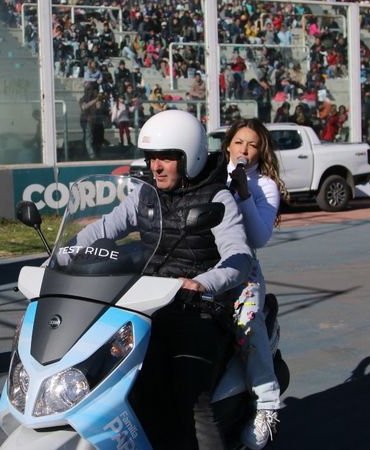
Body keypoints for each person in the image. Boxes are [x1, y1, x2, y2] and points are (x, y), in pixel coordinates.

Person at [71, 110, 253, 449]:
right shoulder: (144, 195)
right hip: (146, 308)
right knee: (116, 381)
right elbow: (103, 228)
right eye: (152, 157)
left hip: (198, 310)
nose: (156, 166)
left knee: (191, 398)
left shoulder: (217, 198)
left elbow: (238, 259)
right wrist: (65, 254)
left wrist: (201, 284)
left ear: (190, 158)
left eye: (167, 157)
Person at [222, 119, 285, 449]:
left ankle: (267, 404)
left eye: (253, 145)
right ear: (228, 144)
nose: (244, 150)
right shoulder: (211, 175)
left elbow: (259, 236)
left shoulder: (265, 186)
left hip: (243, 269)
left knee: (248, 327)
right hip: (202, 266)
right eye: (238, 142)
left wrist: (244, 193)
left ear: (261, 151)